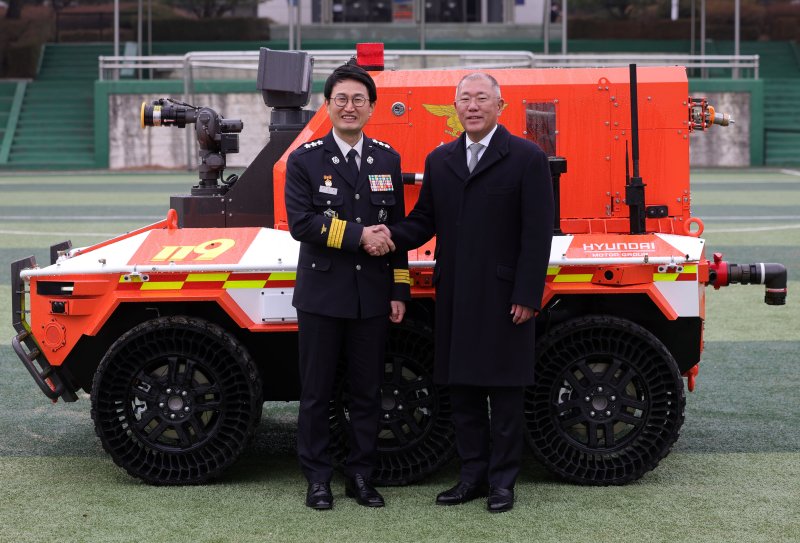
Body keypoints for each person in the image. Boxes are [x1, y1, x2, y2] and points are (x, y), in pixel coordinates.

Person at [384, 72, 554, 513]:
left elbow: (538, 234)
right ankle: (471, 478)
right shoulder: (440, 160)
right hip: (456, 294)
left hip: (505, 297)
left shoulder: (527, 157)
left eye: (481, 98)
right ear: (455, 106)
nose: (473, 106)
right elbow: (423, 220)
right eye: (465, 99)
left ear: (500, 105)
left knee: (506, 394)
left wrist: (527, 294)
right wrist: (385, 235)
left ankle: (503, 484)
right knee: (462, 393)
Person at [284, 61, 410, 510]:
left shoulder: (387, 159)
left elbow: (395, 229)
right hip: (322, 296)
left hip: (372, 296)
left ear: (372, 107)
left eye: (359, 99)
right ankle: (318, 479)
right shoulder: (305, 159)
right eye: (341, 99)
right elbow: (301, 223)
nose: (350, 106)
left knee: (367, 393)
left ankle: (361, 476)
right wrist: (359, 236)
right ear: (327, 105)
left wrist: (399, 289)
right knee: (317, 394)